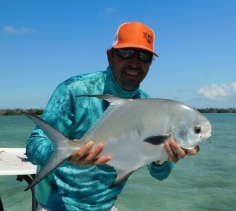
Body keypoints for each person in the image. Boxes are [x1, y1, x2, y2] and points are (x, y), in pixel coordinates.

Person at [26, 22, 199, 211]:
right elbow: (34, 145)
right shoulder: (74, 90)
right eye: (126, 53)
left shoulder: (152, 107)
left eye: (144, 56)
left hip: (106, 206)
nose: (135, 62)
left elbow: (159, 174)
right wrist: (68, 155)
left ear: (150, 63)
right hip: (54, 205)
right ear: (110, 55)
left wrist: (162, 158)